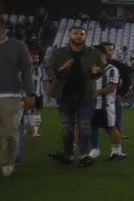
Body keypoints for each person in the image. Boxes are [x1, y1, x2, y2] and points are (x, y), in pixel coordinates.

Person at [43, 24, 104, 168]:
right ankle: (68, 155)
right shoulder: (58, 53)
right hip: (64, 94)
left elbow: (101, 70)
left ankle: (84, 155)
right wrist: (60, 69)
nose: (78, 36)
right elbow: (49, 69)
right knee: (66, 126)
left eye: (81, 34)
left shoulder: (93, 53)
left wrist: (97, 72)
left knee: (84, 124)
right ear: (69, 35)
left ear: (85, 37)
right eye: (75, 33)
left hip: (86, 94)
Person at [0, 14, 35, 178]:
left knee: (11, 135)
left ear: (3, 26)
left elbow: (26, 70)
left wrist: (30, 93)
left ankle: (7, 162)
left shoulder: (18, 46)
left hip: (9, 95)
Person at [91, 41, 126, 160]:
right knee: (85, 127)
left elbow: (111, 88)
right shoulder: (89, 68)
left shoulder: (111, 69)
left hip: (104, 104)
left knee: (110, 128)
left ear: (101, 54)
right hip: (90, 104)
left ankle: (117, 152)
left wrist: (91, 93)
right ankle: (91, 150)